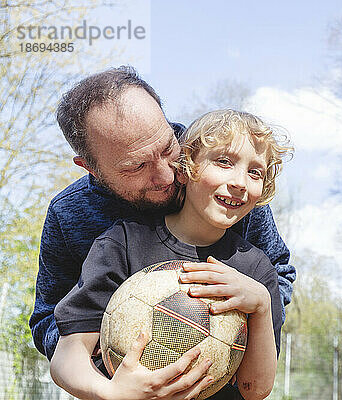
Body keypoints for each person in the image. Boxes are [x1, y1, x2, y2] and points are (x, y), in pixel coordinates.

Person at [29, 67, 295, 387]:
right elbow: (51, 318)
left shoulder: (218, 171)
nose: (167, 174)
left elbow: (275, 275)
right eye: (136, 167)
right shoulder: (71, 215)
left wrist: (233, 336)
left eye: (168, 147)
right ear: (92, 168)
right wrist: (114, 357)